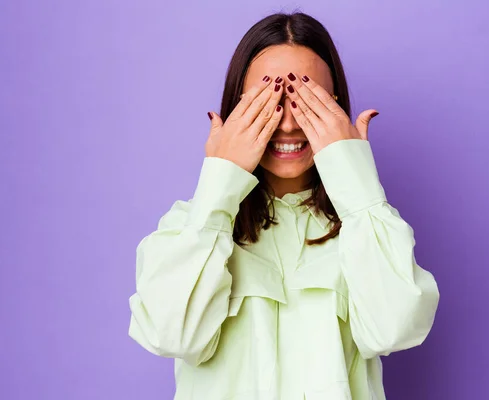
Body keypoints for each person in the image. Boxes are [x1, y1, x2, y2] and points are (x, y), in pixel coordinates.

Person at [128, 11, 440, 400]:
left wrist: (355, 181)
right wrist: (221, 180)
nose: (289, 124)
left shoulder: (368, 228)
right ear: (236, 108)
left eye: (308, 101)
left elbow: (395, 329)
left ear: (336, 107)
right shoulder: (189, 227)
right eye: (267, 101)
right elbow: (171, 335)